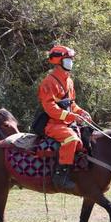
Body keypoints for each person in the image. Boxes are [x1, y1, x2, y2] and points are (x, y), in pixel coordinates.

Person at [38, 45, 92, 191]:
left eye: (71, 59)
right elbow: (50, 108)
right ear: (59, 61)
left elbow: (72, 104)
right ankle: (60, 177)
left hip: (68, 123)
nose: (71, 62)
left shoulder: (69, 81)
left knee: (89, 137)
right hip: (53, 124)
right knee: (72, 139)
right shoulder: (48, 82)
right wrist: (70, 116)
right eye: (68, 59)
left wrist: (81, 112)